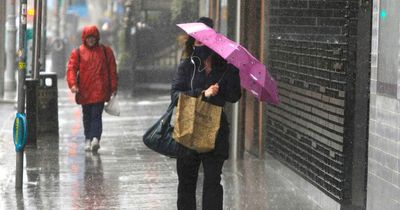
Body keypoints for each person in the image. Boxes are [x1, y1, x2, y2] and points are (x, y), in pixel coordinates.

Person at [171, 17, 242, 210]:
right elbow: (175, 96)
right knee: (186, 184)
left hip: (216, 131)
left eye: (203, 39)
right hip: (189, 131)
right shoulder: (188, 66)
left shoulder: (225, 68)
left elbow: (235, 96)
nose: (198, 43)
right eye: (195, 39)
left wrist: (232, 76)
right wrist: (202, 93)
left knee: (212, 183)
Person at [66, 25, 118, 153]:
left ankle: (95, 138)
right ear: (84, 38)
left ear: (97, 38)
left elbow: (112, 70)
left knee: (96, 115)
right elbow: (71, 69)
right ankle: (88, 138)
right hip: (84, 91)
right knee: (87, 116)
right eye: (88, 37)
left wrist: (113, 87)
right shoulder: (78, 53)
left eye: (93, 37)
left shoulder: (106, 51)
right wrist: (73, 84)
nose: (91, 40)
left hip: (100, 90)